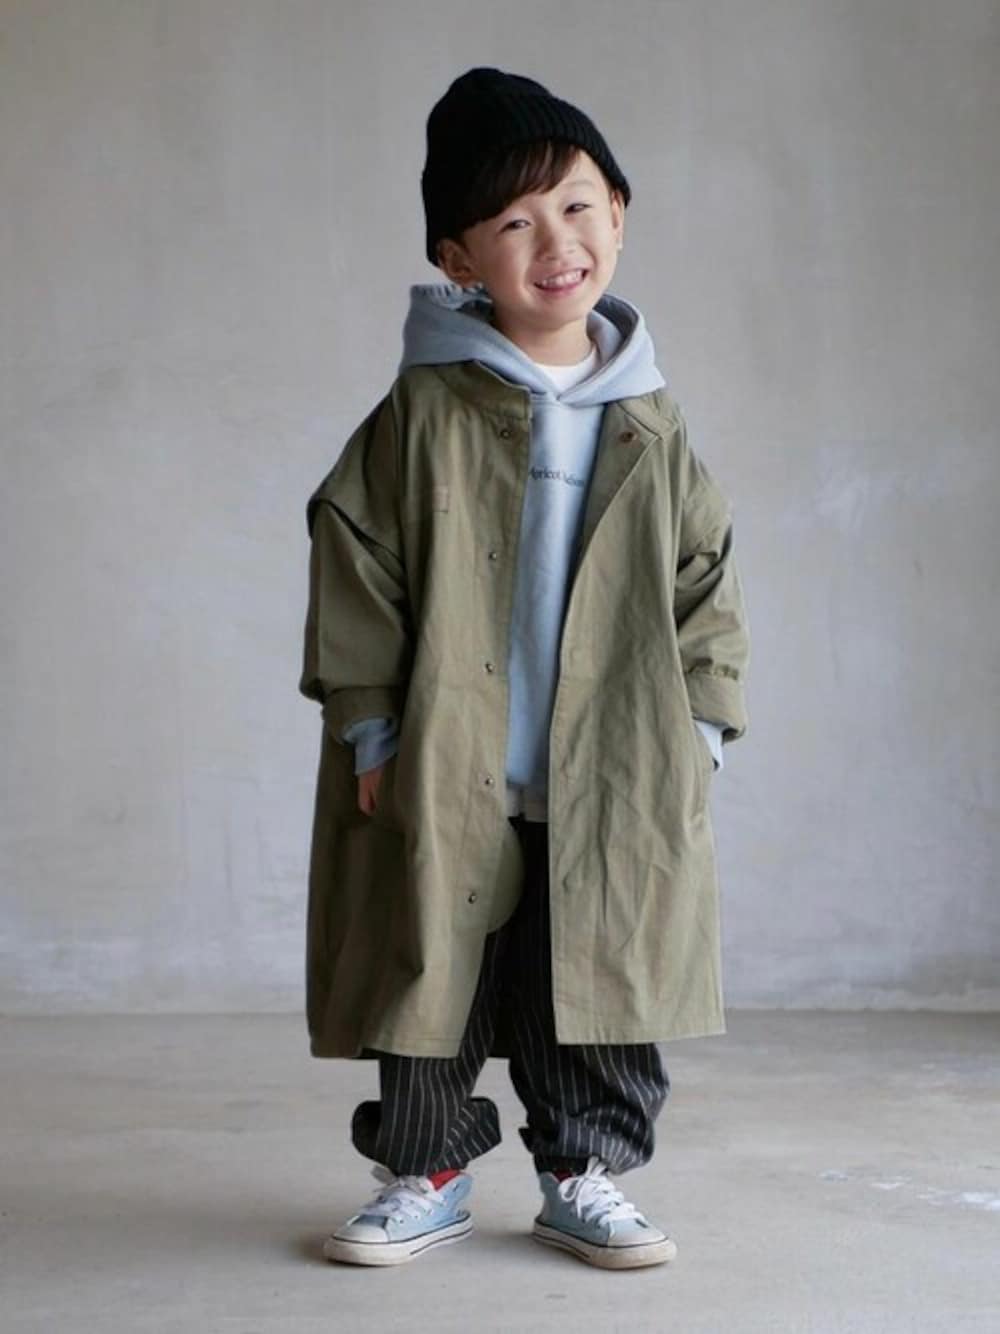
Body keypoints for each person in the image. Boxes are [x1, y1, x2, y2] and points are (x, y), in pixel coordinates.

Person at [298, 66, 750, 1270]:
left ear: (619, 215)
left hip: (610, 759)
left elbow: (705, 571)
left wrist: (699, 731)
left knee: (594, 969)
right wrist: (373, 728)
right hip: (452, 754)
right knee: (430, 966)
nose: (556, 243)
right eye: (513, 220)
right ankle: (427, 1167)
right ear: (458, 257)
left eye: (578, 205)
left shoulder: (649, 418)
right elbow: (356, 557)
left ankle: (582, 1170)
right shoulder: (424, 411)